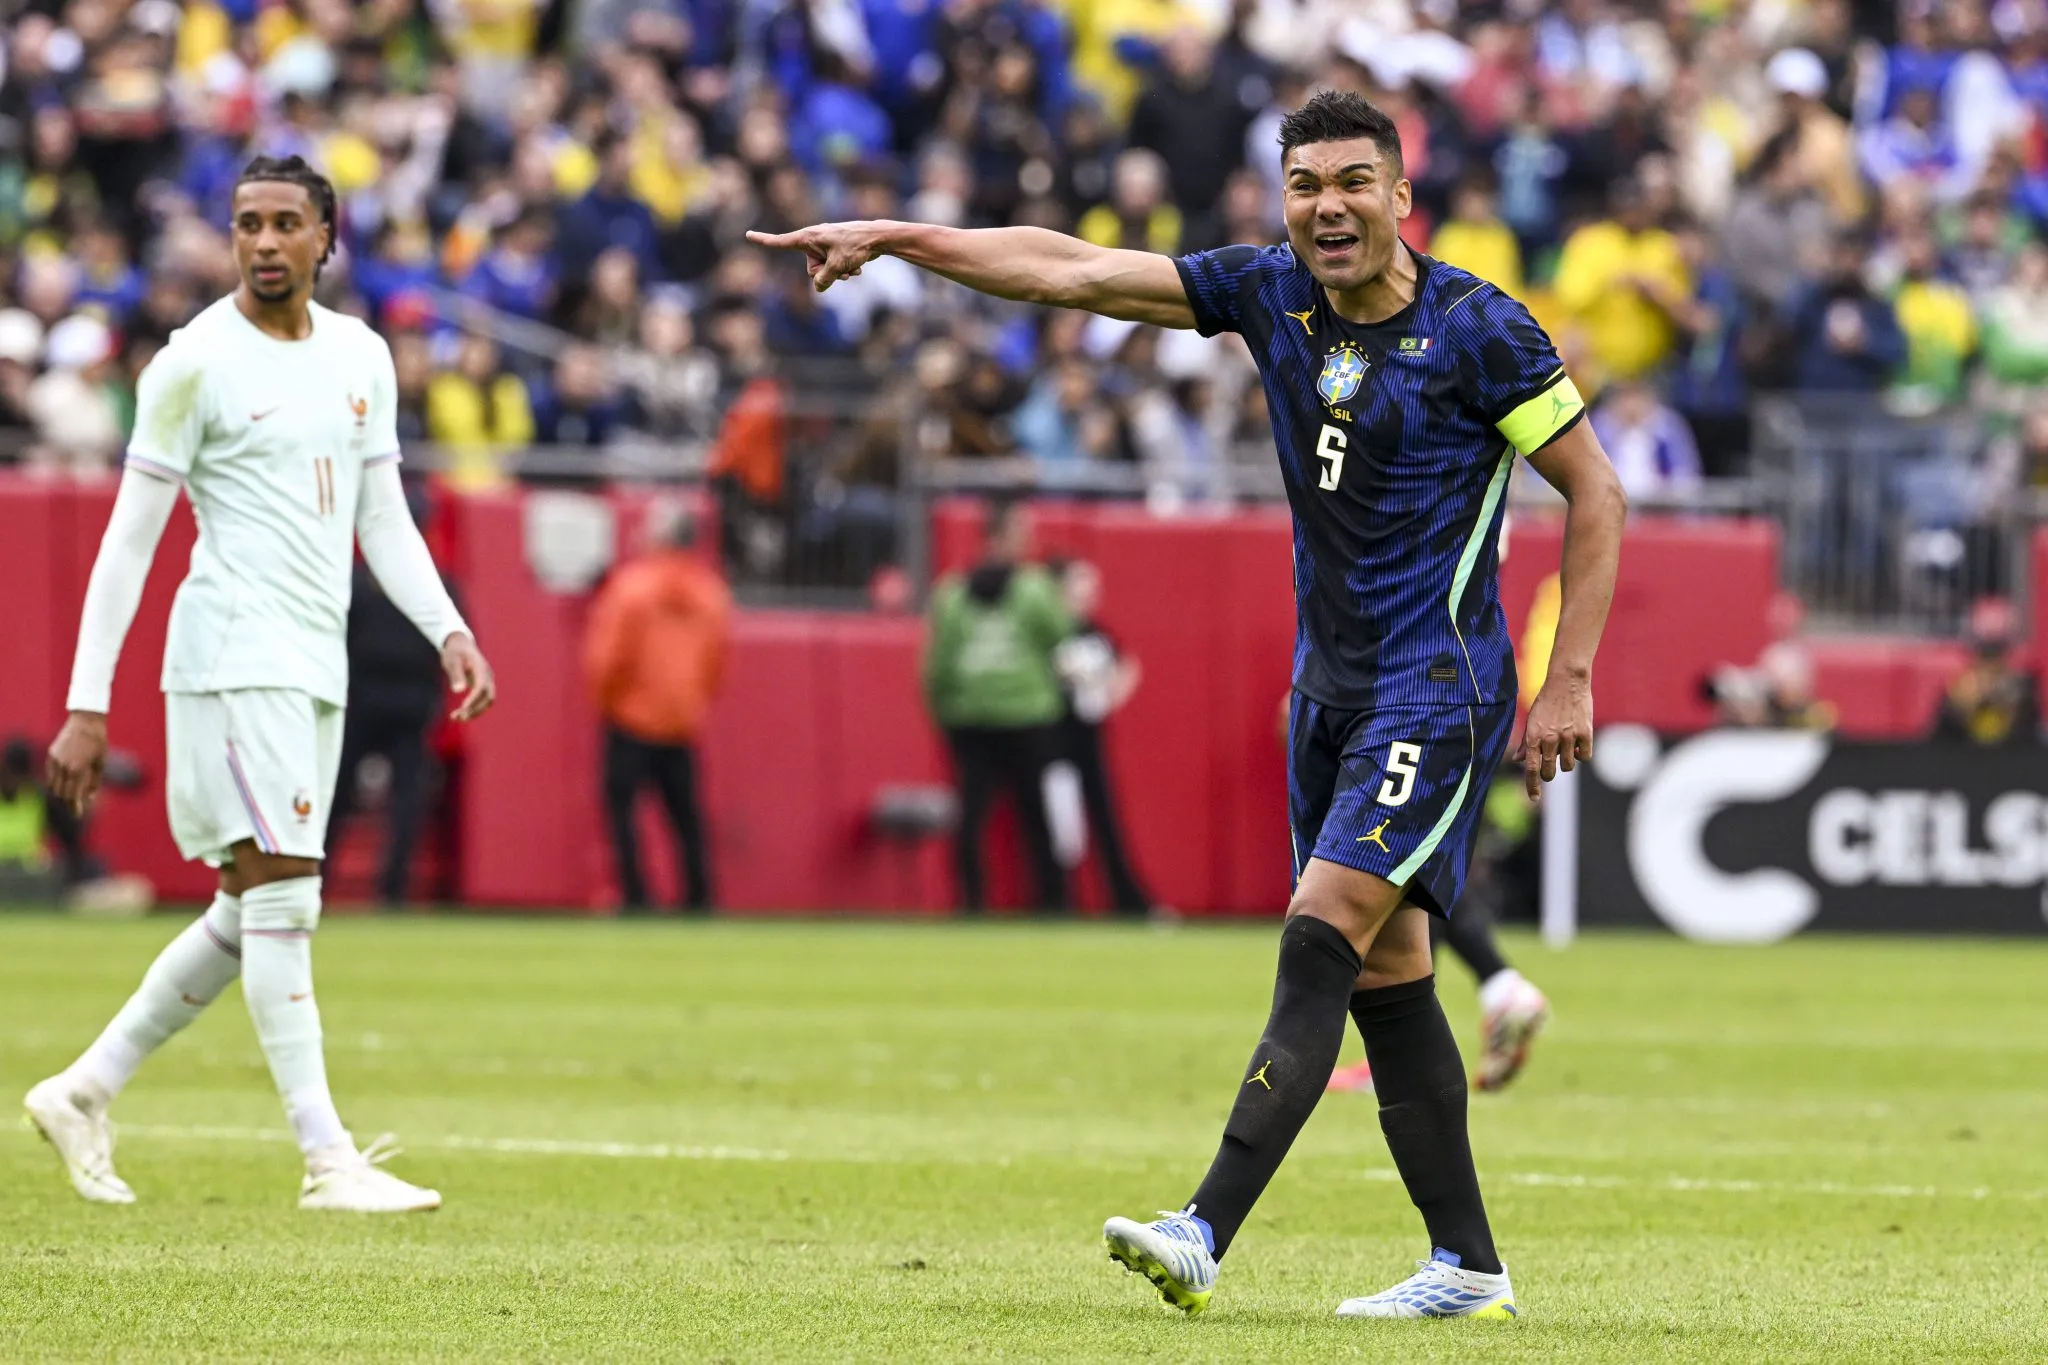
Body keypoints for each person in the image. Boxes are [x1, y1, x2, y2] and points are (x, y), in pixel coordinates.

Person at [752, 88, 1626, 1319]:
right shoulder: (1267, 294)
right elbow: (1068, 272)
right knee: (1389, 975)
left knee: (1319, 927)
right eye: (1304, 185)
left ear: (1398, 196)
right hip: (1324, 692)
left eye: (1350, 183)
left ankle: (1203, 1225)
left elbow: (1594, 492)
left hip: (1436, 687)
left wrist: (1570, 677)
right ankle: (1465, 1265)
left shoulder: (1478, 331)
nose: (1327, 207)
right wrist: (902, 238)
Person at [30, 156, 497, 1215]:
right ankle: (327, 1158)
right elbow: (127, 544)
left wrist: (450, 628)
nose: (266, 243)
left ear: (327, 236)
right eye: (248, 224)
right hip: (232, 658)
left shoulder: (361, 357)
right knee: (287, 893)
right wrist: (86, 703)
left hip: (313, 663)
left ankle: (82, 1088)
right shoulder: (191, 364)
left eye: (287, 223)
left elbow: (381, 517)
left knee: (251, 907)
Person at [920, 500, 1072, 914]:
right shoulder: (1034, 589)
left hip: (970, 719)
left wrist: (944, 713)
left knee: (971, 818)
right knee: (1037, 818)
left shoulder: (952, 592)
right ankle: (1053, 904)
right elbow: (1061, 635)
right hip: (1028, 716)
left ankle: (972, 905)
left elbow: (938, 665)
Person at [583, 498, 732, 912]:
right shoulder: (711, 594)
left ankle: (635, 895)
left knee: (622, 813)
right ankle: (699, 897)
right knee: (687, 818)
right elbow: (717, 664)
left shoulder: (631, 589)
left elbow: (607, 658)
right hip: (681, 720)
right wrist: (691, 701)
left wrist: (608, 701)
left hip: (629, 717)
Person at [326, 481, 459, 908]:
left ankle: (313, 882)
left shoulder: (360, 582)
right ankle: (394, 889)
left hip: (363, 699)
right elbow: (453, 645)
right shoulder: (439, 585)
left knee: (339, 794)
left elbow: (335, 639)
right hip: (412, 699)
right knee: (406, 798)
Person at [1049, 559, 1153, 916]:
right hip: (1052, 740)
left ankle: (1128, 902)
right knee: (1062, 826)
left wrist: (1108, 693)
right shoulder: (1051, 631)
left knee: (1106, 821)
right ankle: (1059, 902)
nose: (1091, 593)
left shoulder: (1095, 632)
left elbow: (1126, 666)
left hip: (1088, 739)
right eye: (1082, 584)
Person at [1932, 598, 2039, 745]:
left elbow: (2034, 747)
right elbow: (1935, 750)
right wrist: (1955, 711)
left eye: (1996, 652)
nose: (1990, 665)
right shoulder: (1958, 691)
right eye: (1985, 653)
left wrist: (2017, 708)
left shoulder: (2022, 691)